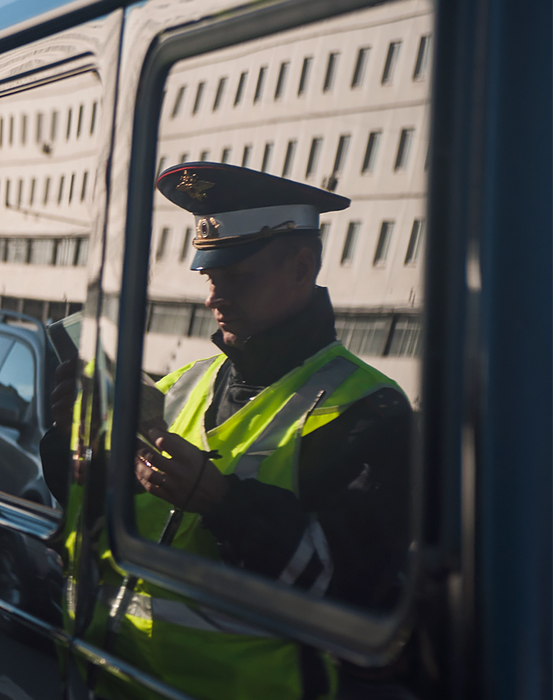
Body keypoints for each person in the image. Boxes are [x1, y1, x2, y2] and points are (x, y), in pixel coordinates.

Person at [88, 162, 412, 700]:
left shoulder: (372, 411)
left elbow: (350, 595)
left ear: (302, 266)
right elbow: (90, 514)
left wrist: (222, 503)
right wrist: (73, 434)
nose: (214, 297)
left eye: (236, 277)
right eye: (211, 277)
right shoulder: (182, 384)